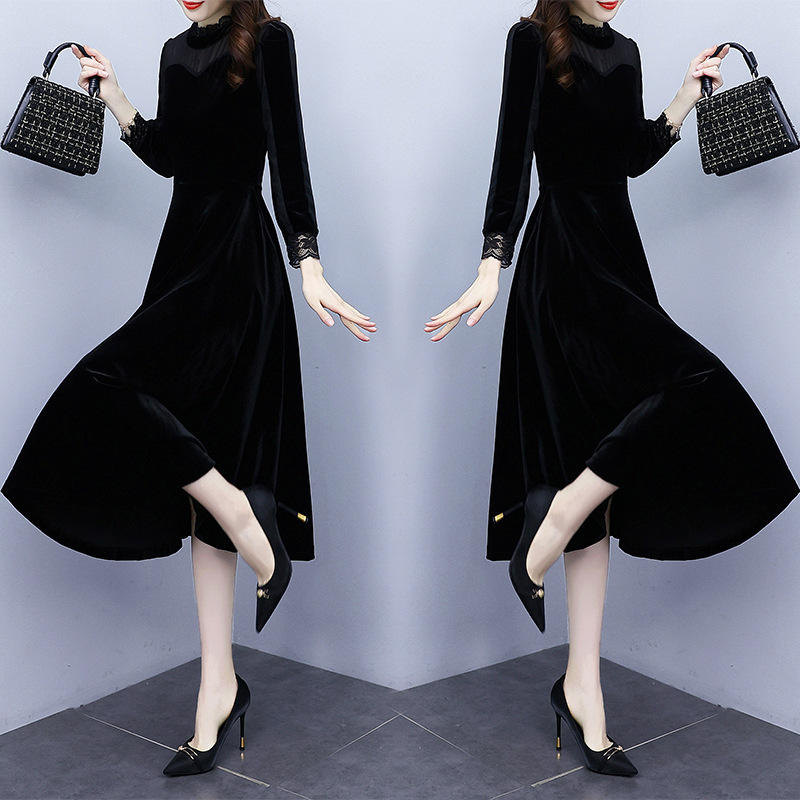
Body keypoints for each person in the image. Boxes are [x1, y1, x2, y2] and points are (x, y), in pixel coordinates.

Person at [2, 0, 375, 777]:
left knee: (209, 452)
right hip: (181, 259)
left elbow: (288, 155)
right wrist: (116, 98)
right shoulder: (176, 50)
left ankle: (215, 688)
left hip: (238, 265)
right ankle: (241, 530)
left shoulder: (270, 40)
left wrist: (308, 263)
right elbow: (172, 157)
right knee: (154, 424)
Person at [426, 0, 797, 776]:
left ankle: (558, 524)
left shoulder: (624, 51)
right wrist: (492, 263)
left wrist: (684, 98)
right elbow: (512, 154)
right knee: (592, 455)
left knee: (643, 426)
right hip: (561, 266)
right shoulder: (530, 40)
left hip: (619, 259)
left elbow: (627, 157)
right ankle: (585, 689)